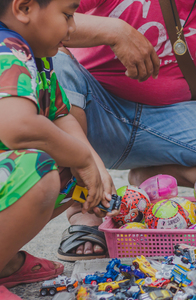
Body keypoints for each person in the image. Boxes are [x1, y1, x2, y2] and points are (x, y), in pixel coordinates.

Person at [53, 0, 196, 260]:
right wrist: (116, 30)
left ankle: (154, 176)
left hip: (168, 123)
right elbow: (41, 19)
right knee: (51, 62)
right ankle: (85, 204)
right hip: (93, 112)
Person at [0, 0, 116, 291]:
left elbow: (60, 114)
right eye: (67, 15)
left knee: (71, 170)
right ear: (24, 8)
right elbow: (19, 128)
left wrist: (94, 167)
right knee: (38, 170)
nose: (73, 27)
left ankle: (4, 262)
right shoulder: (6, 50)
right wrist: (83, 159)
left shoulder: (37, 57)